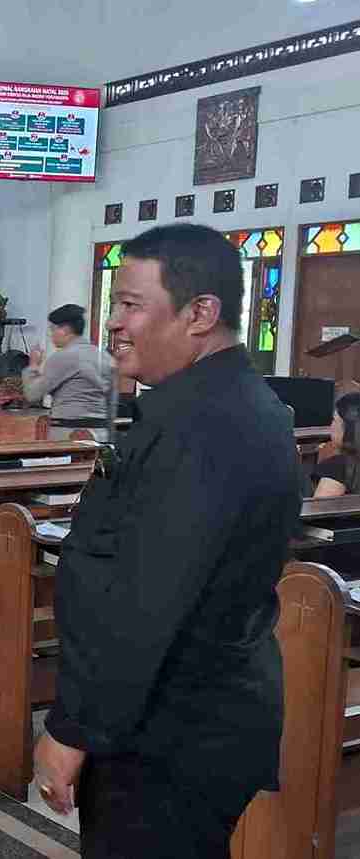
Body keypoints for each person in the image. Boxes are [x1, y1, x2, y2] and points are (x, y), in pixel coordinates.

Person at [33, 224, 300, 858]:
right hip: (181, 718)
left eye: (131, 305)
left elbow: (148, 601)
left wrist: (72, 731)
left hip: (172, 731)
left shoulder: (207, 427)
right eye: (113, 305)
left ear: (200, 313)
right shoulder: (211, 404)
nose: (115, 324)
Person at [23, 304, 115, 441]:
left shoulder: (63, 357)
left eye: (53, 329)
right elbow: (112, 404)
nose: (50, 334)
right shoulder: (105, 358)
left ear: (65, 330)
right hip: (101, 435)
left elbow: (32, 394)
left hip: (68, 436)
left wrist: (33, 366)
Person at [312, 392, 360, 497]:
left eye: (334, 420)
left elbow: (320, 510)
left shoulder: (339, 468)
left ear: (349, 429)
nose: (331, 426)